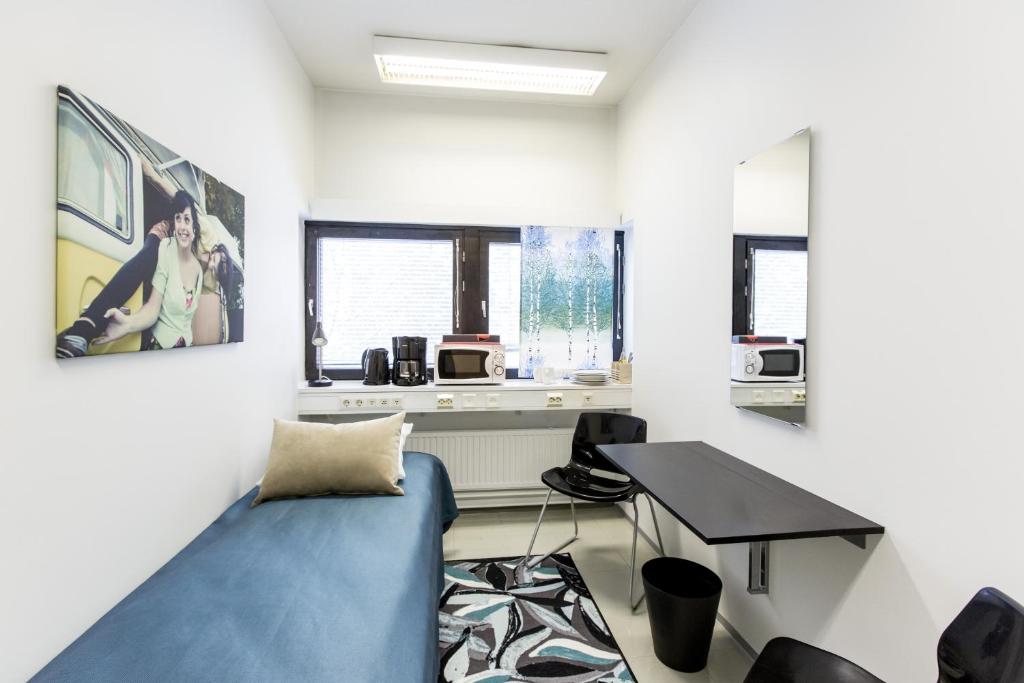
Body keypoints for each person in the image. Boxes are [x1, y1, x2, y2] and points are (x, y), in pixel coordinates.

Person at [56, 157, 234, 357]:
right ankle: (85, 327)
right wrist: (152, 175)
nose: (208, 263)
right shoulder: (206, 233)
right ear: (215, 250)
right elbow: (181, 203)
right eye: (212, 258)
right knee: (147, 258)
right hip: (168, 232)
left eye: (213, 269)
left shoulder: (206, 280)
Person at [93, 191, 203, 350]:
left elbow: (186, 320)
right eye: (178, 218)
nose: (182, 227)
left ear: (194, 226)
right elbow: (152, 309)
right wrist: (127, 324)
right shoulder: (166, 248)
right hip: (159, 346)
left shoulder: (198, 269)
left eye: (187, 219)